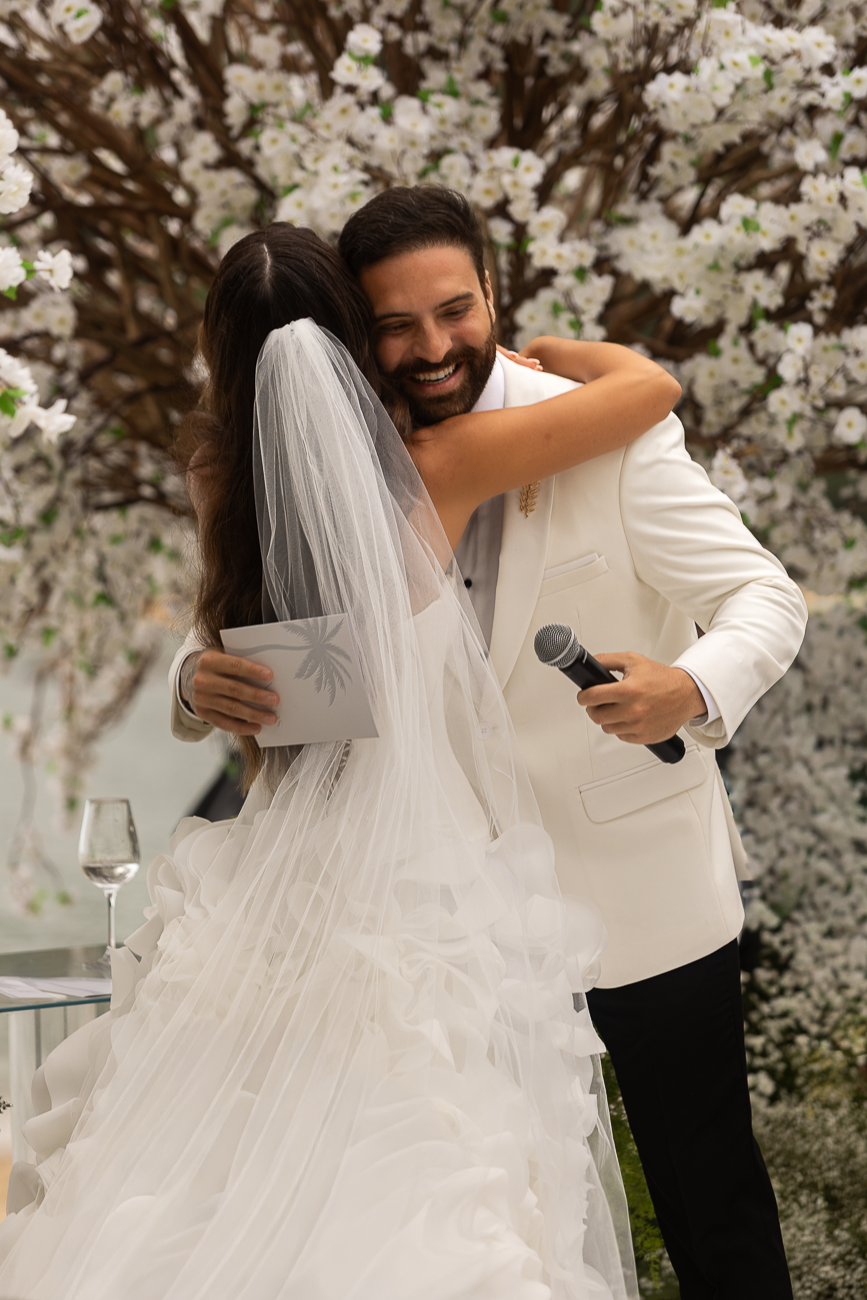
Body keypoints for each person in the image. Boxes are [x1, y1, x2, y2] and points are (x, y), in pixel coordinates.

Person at [0, 224, 683, 1299]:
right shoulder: (441, 464)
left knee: (223, 1142)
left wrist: (193, 682)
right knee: (432, 1145)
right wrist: (565, 347)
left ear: (220, 354)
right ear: (357, 342)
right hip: (423, 865)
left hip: (280, 864)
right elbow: (651, 390)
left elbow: (245, 690)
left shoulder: (214, 474)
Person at [172, 190, 808, 1298]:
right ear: (347, 338)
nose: (432, 348)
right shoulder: (329, 482)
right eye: (395, 327)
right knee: (490, 1223)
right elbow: (311, 691)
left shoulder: (586, 428)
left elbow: (763, 593)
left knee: (711, 1207)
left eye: (456, 311)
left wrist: (692, 684)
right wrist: (195, 677)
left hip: (635, 895)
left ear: (492, 291)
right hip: (437, 932)